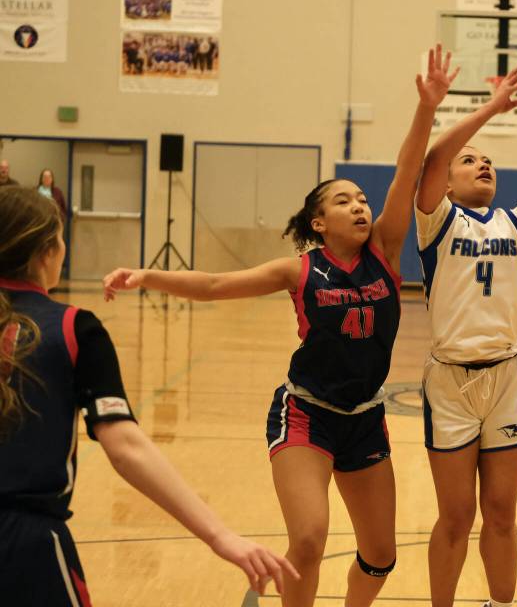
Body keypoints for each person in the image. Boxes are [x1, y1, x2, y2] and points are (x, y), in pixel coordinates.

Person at [103, 45, 457, 607]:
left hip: (365, 418)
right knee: (311, 539)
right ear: (320, 222)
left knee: (380, 556)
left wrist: (428, 107)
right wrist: (147, 276)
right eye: (345, 201)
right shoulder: (298, 269)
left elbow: (409, 170)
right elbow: (217, 286)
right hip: (307, 414)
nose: (361, 206)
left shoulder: (386, 252)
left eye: (362, 199)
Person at [0, 187, 298, 605]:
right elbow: (126, 448)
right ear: (49, 250)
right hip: (26, 549)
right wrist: (220, 536)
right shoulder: (72, 329)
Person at [414, 64, 517, 607]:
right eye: (471, 160)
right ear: (450, 181)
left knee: (503, 514)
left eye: (489, 161)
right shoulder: (437, 222)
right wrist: (491, 108)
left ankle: (500, 605)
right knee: (456, 516)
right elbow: (434, 158)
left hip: (507, 376)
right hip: (451, 382)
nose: (482, 163)